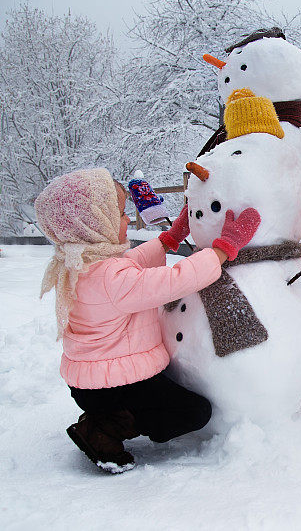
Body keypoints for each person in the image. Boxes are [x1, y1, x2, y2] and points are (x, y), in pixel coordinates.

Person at [34, 167, 261, 473]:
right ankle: (105, 428)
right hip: (112, 387)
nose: (128, 219)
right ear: (94, 224)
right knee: (193, 412)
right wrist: (224, 248)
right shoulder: (110, 278)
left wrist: (170, 239)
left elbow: (131, 264)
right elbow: (176, 280)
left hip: (92, 383)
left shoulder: (80, 264)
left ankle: (105, 415)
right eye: (121, 214)